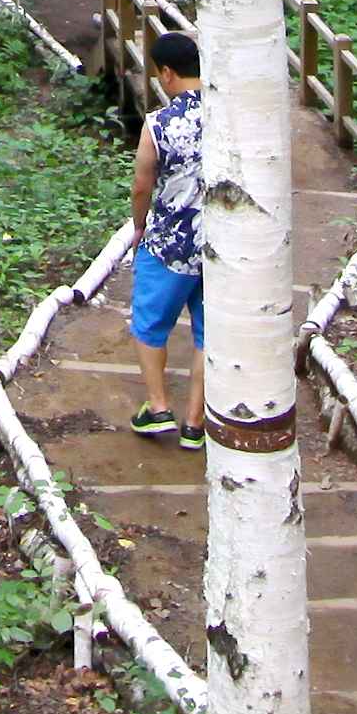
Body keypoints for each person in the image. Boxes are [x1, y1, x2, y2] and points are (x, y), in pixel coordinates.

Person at [123, 29, 203, 443]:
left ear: (167, 73)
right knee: (208, 333)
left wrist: (139, 226)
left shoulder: (159, 123)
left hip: (170, 242)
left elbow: (142, 183)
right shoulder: (228, 115)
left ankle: (157, 408)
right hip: (220, 244)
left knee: (150, 324)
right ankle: (195, 422)